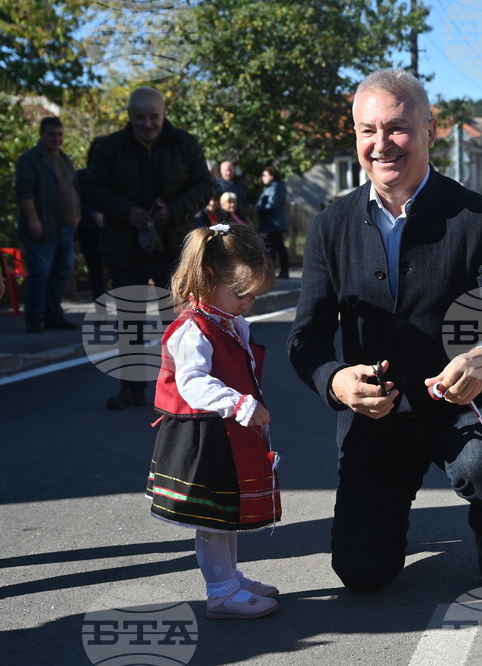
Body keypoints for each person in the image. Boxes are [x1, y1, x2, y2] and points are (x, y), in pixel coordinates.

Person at [287, 69, 482, 592]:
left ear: (430, 130)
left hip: (460, 408)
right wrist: (335, 381)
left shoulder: (477, 218)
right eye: (368, 130)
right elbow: (305, 337)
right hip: (377, 419)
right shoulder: (330, 226)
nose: (382, 144)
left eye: (397, 127)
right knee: (362, 574)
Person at [146, 223, 280, 619]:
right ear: (208, 278)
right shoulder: (193, 328)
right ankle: (220, 592)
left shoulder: (222, 319)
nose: (248, 303)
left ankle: (230, 579)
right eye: (241, 294)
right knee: (213, 519)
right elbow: (191, 383)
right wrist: (238, 404)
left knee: (226, 516)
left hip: (223, 431)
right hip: (204, 435)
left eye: (253, 296)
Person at [84, 86, 214, 410]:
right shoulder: (111, 146)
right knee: (129, 321)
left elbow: (204, 186)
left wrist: (174, 209)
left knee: (180, 319)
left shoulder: (185, 143)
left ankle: (184, 387)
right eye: (139, 117)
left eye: (153, 116)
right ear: (130, 116)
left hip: (174, 245)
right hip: (125, 246)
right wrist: (126, 210)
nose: (147, 123)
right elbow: (91, 186)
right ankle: (132, 389)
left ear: (163, 114)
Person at [14, 116, 81, 333]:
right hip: (43, 227)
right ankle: (34, 318)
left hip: (66, 228)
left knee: (62, 272)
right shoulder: (30, 160)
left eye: (59, 134)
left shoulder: (64, 158)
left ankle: (53, 315)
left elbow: (73, 187)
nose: (56, 139)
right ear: (42, 135)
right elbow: (24, 192)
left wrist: (77, 211)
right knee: (40, 274)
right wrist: (33, 219)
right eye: (51, 134)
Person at [76, 136, 107, 300]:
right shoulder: (81, 176)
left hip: (112, 228)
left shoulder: (116, 177)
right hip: (88, 229)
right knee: (95, 269)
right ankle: (100, 309)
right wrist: (93, 214)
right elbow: (77, 200)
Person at [255, 165, 290, 279]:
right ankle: (276, 271)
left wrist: (258, 208)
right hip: (272, 223)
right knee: (275, 247)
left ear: (272, 176)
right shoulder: (272, 187)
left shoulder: (275, 188)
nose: (263, 177)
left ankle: (279, 271)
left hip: (273, 224)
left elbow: (272, 205)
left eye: (265, 175)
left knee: (273, 247)